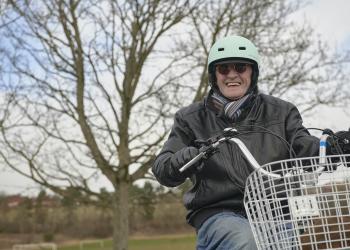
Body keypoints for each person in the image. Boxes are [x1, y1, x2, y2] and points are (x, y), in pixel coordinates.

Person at [152, 35, 350, 250]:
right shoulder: (190, 118)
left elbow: (303, 148)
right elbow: (163, 168)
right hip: (220, 214)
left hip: (277, 213)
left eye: (240, 67)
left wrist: (333, 146)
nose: (232, 75)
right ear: (213, 75)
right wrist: (190, 155)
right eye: (224, 69)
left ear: (252, 73)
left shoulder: (281, 111)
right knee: (247, 241)